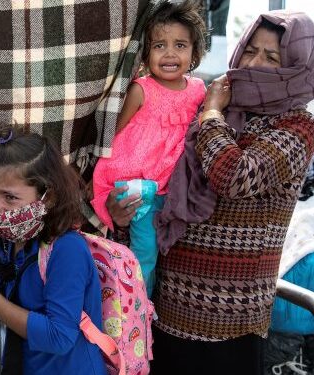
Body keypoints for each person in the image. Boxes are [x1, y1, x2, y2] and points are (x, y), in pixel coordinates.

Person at [106, 10, 314, 374]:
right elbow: (164, 187)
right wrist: (124, 211)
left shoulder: (297, 125)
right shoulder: (215, 104)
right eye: (250, 51)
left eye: (271, 58)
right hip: (168, 308)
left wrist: (210, 115)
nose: (254, 63)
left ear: (296, 67)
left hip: (229, 320)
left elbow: (234, 175)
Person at [0, 123, 106, 375]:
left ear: (47, 197)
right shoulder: (12, 241)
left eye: (10, 197)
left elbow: (59, 337)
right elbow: (29, 292)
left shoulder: (68, 250)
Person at [90, 0, 207, 296]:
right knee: (145, 250)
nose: (170, 54)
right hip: (135, 178)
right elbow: (114, 132)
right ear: (145, 53)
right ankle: (137, 303)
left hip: (168, 181)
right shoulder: (141, 89)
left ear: (195, 52)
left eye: (180, 45)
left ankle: (145, 300)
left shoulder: (198, 90)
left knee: (165, 247)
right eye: (159, 46)